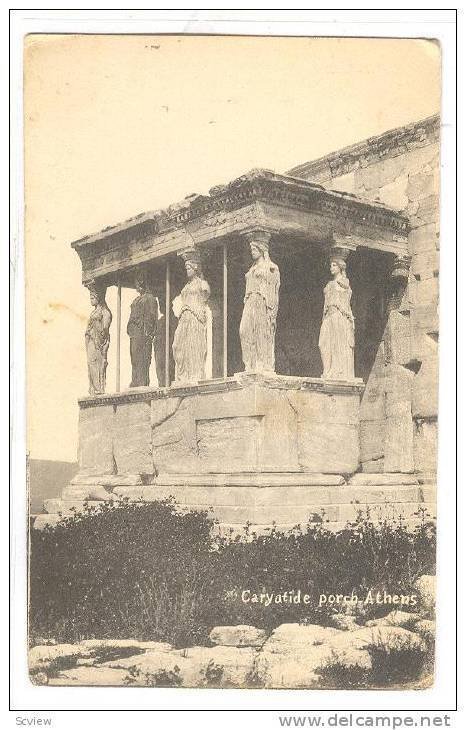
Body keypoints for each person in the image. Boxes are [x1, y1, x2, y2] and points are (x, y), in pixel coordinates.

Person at [239, 235, 280, 372]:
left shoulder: (271, 267)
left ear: (262, 249)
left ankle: (261, 364)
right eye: (251, 249)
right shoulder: (252, 268)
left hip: (261, 301)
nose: (253, 251)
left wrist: (271, 309)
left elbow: (275, 287)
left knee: (261, 332)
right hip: (250, 301)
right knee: (244, 331)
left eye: (255, 248)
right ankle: (249, 364)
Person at [172, 254, 210, 384]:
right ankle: (183, 375)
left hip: (195, 318)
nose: (187, 270)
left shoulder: (203, 284)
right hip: (184, 318)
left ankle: (194, 374)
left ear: (195, 268)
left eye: (189, 268)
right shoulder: (186, 286)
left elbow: (204, 300)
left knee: (194, 345)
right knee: (178, 346)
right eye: (186, 268)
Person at [319, 257, 355, 380]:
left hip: (338, 316)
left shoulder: (344, 282)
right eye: (331, 265)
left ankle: (337, 372)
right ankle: (327, 370)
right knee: (323, 343)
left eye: (334, 265)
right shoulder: (329, 284)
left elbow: (346, 300)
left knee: (337, 343)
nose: (331, 268)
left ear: (340, 267)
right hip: (328, 316)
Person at [127, 274, 158, 387]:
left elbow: (152, 316)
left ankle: (142, 381)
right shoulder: (136, 299)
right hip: (135, 332)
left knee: (143, 356)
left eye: (138, 283)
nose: (136, 285)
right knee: (134, 355)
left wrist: (149, 333)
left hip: (143, 331)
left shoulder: (150, 298)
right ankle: (135, 379)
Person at [85, 282, 112, 395]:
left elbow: (105, 327)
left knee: (95, 363)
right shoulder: (94, 312)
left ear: (98, 297)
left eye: (93, 297)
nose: (91, 299)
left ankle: (98, 388)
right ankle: (93, 387)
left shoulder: (104, 311)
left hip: (98, 343)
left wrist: (100, 331)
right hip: (91, 340)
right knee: (90, 363)